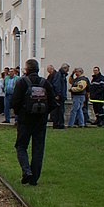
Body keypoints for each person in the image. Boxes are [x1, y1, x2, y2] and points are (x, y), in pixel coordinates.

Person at [11, 58, 57, 186]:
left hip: (25, 120)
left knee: (21, 146)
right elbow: (53, 103)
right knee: (38, 149)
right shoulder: (45, 83)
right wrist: (44, 113)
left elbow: (14, 102)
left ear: (26, 70)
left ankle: (26, 170)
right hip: (40, 122)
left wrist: (20, 113)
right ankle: (34, 178)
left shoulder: (22, 82)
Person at [47, 63, 66, 129]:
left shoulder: (56, 75)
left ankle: (58, 124)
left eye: (48, 69)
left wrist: (57, 94)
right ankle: (58, 124)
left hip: (57, 95)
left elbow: (56, 85)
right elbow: (56, 85)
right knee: (58, 111)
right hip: (57, 95)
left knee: (58, 110)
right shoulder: (57, 75)